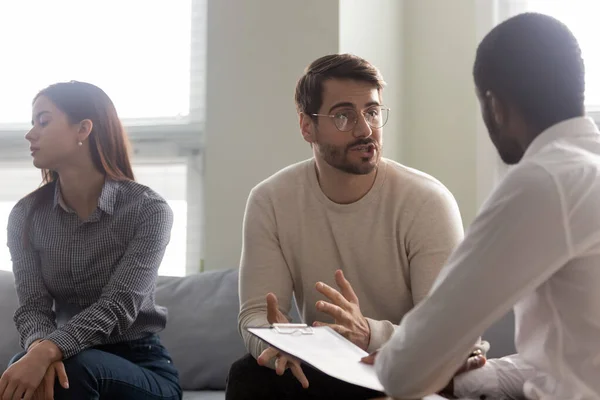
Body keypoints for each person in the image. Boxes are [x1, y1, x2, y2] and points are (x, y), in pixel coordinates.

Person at [226, 54, 486, 400]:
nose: (365, 130)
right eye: (344, 115)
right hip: (327, 367)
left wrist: (368, 334)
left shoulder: (427, 201)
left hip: (411, 368)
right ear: (307, 126)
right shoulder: (270, 201)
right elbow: (257, 313)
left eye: (373, 112)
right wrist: (279, 342)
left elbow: (449, 334)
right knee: (247, 374)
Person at [370, 12, 600, 400]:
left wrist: (397, 356)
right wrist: (468, 377)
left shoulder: (544, 180)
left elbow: (404, 372)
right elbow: (573, 356)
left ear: (495, 105)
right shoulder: (587, 170)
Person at [0, 81, 182, 400]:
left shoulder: (148, 210)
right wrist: (40, 349)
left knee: (70, 371)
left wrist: (49, 352)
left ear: (83, 128)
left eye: (43, 121)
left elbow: (119, 305)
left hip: (141, 365)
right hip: (68, 357)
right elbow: (32, 307)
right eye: (32, 123)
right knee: (20, 373)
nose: (30, 134)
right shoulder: (25, 215)